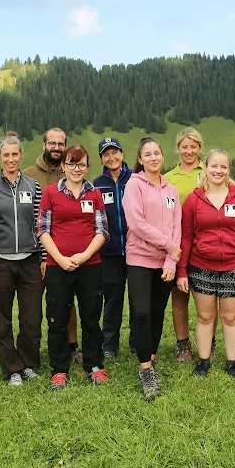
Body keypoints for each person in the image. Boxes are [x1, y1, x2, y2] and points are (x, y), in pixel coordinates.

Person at [177, 149, 235, 378]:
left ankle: (232, 363)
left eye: (223, 167)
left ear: (229, 170)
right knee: (205, 317)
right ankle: (203, 362)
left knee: (230, 318)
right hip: (201, 267)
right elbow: (186, 236)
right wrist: (182, 271)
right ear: (206, 167)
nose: (218, 171)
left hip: (234, 266)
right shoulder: (194, 199)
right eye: (214, 166)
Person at [38, 145, 109, 390]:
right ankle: (59, 369)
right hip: (58, 266)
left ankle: (94, 365)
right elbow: (42, 229)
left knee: (91, 317)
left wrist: (84, 255)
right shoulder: (50, 193)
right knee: (57, 318)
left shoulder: (95, 194)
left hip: (90, 265)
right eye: (71, 163)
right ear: (63, 166)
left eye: (81, 164)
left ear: (87, 167)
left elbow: (102, 230)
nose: (76, 169)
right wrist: (59, 258)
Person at [0, 132, 44, 386]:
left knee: (32, 317)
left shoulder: (33, 186)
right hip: (0, 261)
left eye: (14, 154)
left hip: (30, 259)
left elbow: (40, 224)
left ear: (21, 155)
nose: (10, 159)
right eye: (6, 154)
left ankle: (27, 363)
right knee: (2, 317)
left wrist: (43, 257)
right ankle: (12, 368)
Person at [123, 137, 181, 400]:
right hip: (139, 259)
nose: (154, 157)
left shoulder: (171, 190)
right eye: (148, 154)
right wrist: (169, 246)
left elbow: (177, 226)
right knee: (142, 313)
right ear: (140, 159)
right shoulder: (134, 185)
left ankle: (151, 359)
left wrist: (171, 260)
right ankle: (145, 370)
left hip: (165, 263)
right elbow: (137, 223)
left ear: (162, 156)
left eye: (157, 153)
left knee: (157, 313)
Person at [25, 127, 81, 360]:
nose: (56, 148)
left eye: (60, 144)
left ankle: (72, 346)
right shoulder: (28, 175)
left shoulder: (73, 174)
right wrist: (42, 255)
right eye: (52, 143)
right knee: (34, 305)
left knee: (67, 302)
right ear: (44, 145)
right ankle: (34, 350)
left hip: (65, 253)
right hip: (35, 252)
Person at [165, 127, 207, 361]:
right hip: (178, 243)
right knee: (179, 296)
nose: (189, 151)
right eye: (184, 147)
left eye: (193, 146)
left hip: (205, 242)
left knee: (205, 296)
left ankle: (208, 341)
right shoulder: (169, 177)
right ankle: (183, 344)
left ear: (200, 148)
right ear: (178, 148)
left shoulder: (208, 172)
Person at [93, 137, 134, 359]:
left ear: (122, 153)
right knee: (112, 300)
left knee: (138, 300)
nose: (111, 158)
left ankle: (137, 342)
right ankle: (109, 345)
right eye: (106, 154)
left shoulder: (136, 179)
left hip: (136, 251)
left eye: (114, 152)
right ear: (102, 158)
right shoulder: (97, 184)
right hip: (109, 253)